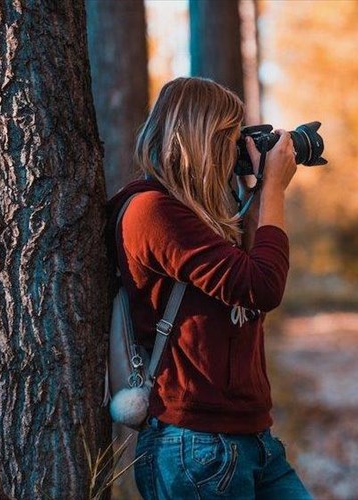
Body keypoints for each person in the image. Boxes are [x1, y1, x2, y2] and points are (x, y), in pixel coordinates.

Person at [105, 76, 312, 499]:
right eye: (232, 139)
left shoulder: (200, 216)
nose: (236, 152)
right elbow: (262, 286)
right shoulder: (152, 211)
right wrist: (273, 187)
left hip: (252, 438)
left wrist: (254, 187)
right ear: (204, 139)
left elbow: (253, 275)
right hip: (194, 445)